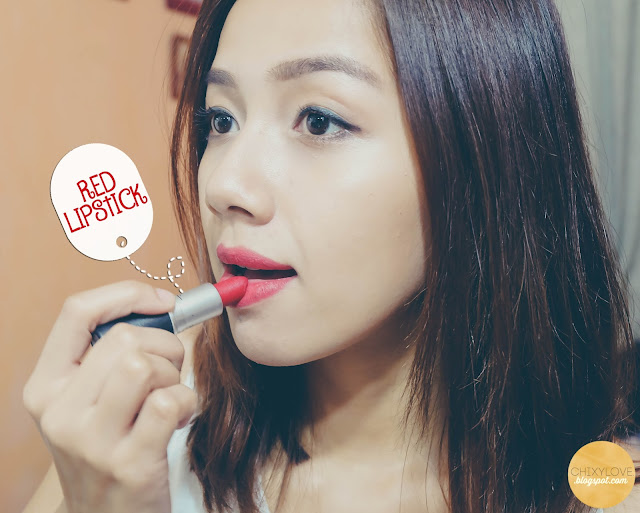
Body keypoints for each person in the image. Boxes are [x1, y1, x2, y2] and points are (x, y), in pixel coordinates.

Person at [21, 0, 640, 512]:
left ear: (488, 155)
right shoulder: (133, 430)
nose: (224, 185)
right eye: (220, 119)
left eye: (318, 121)